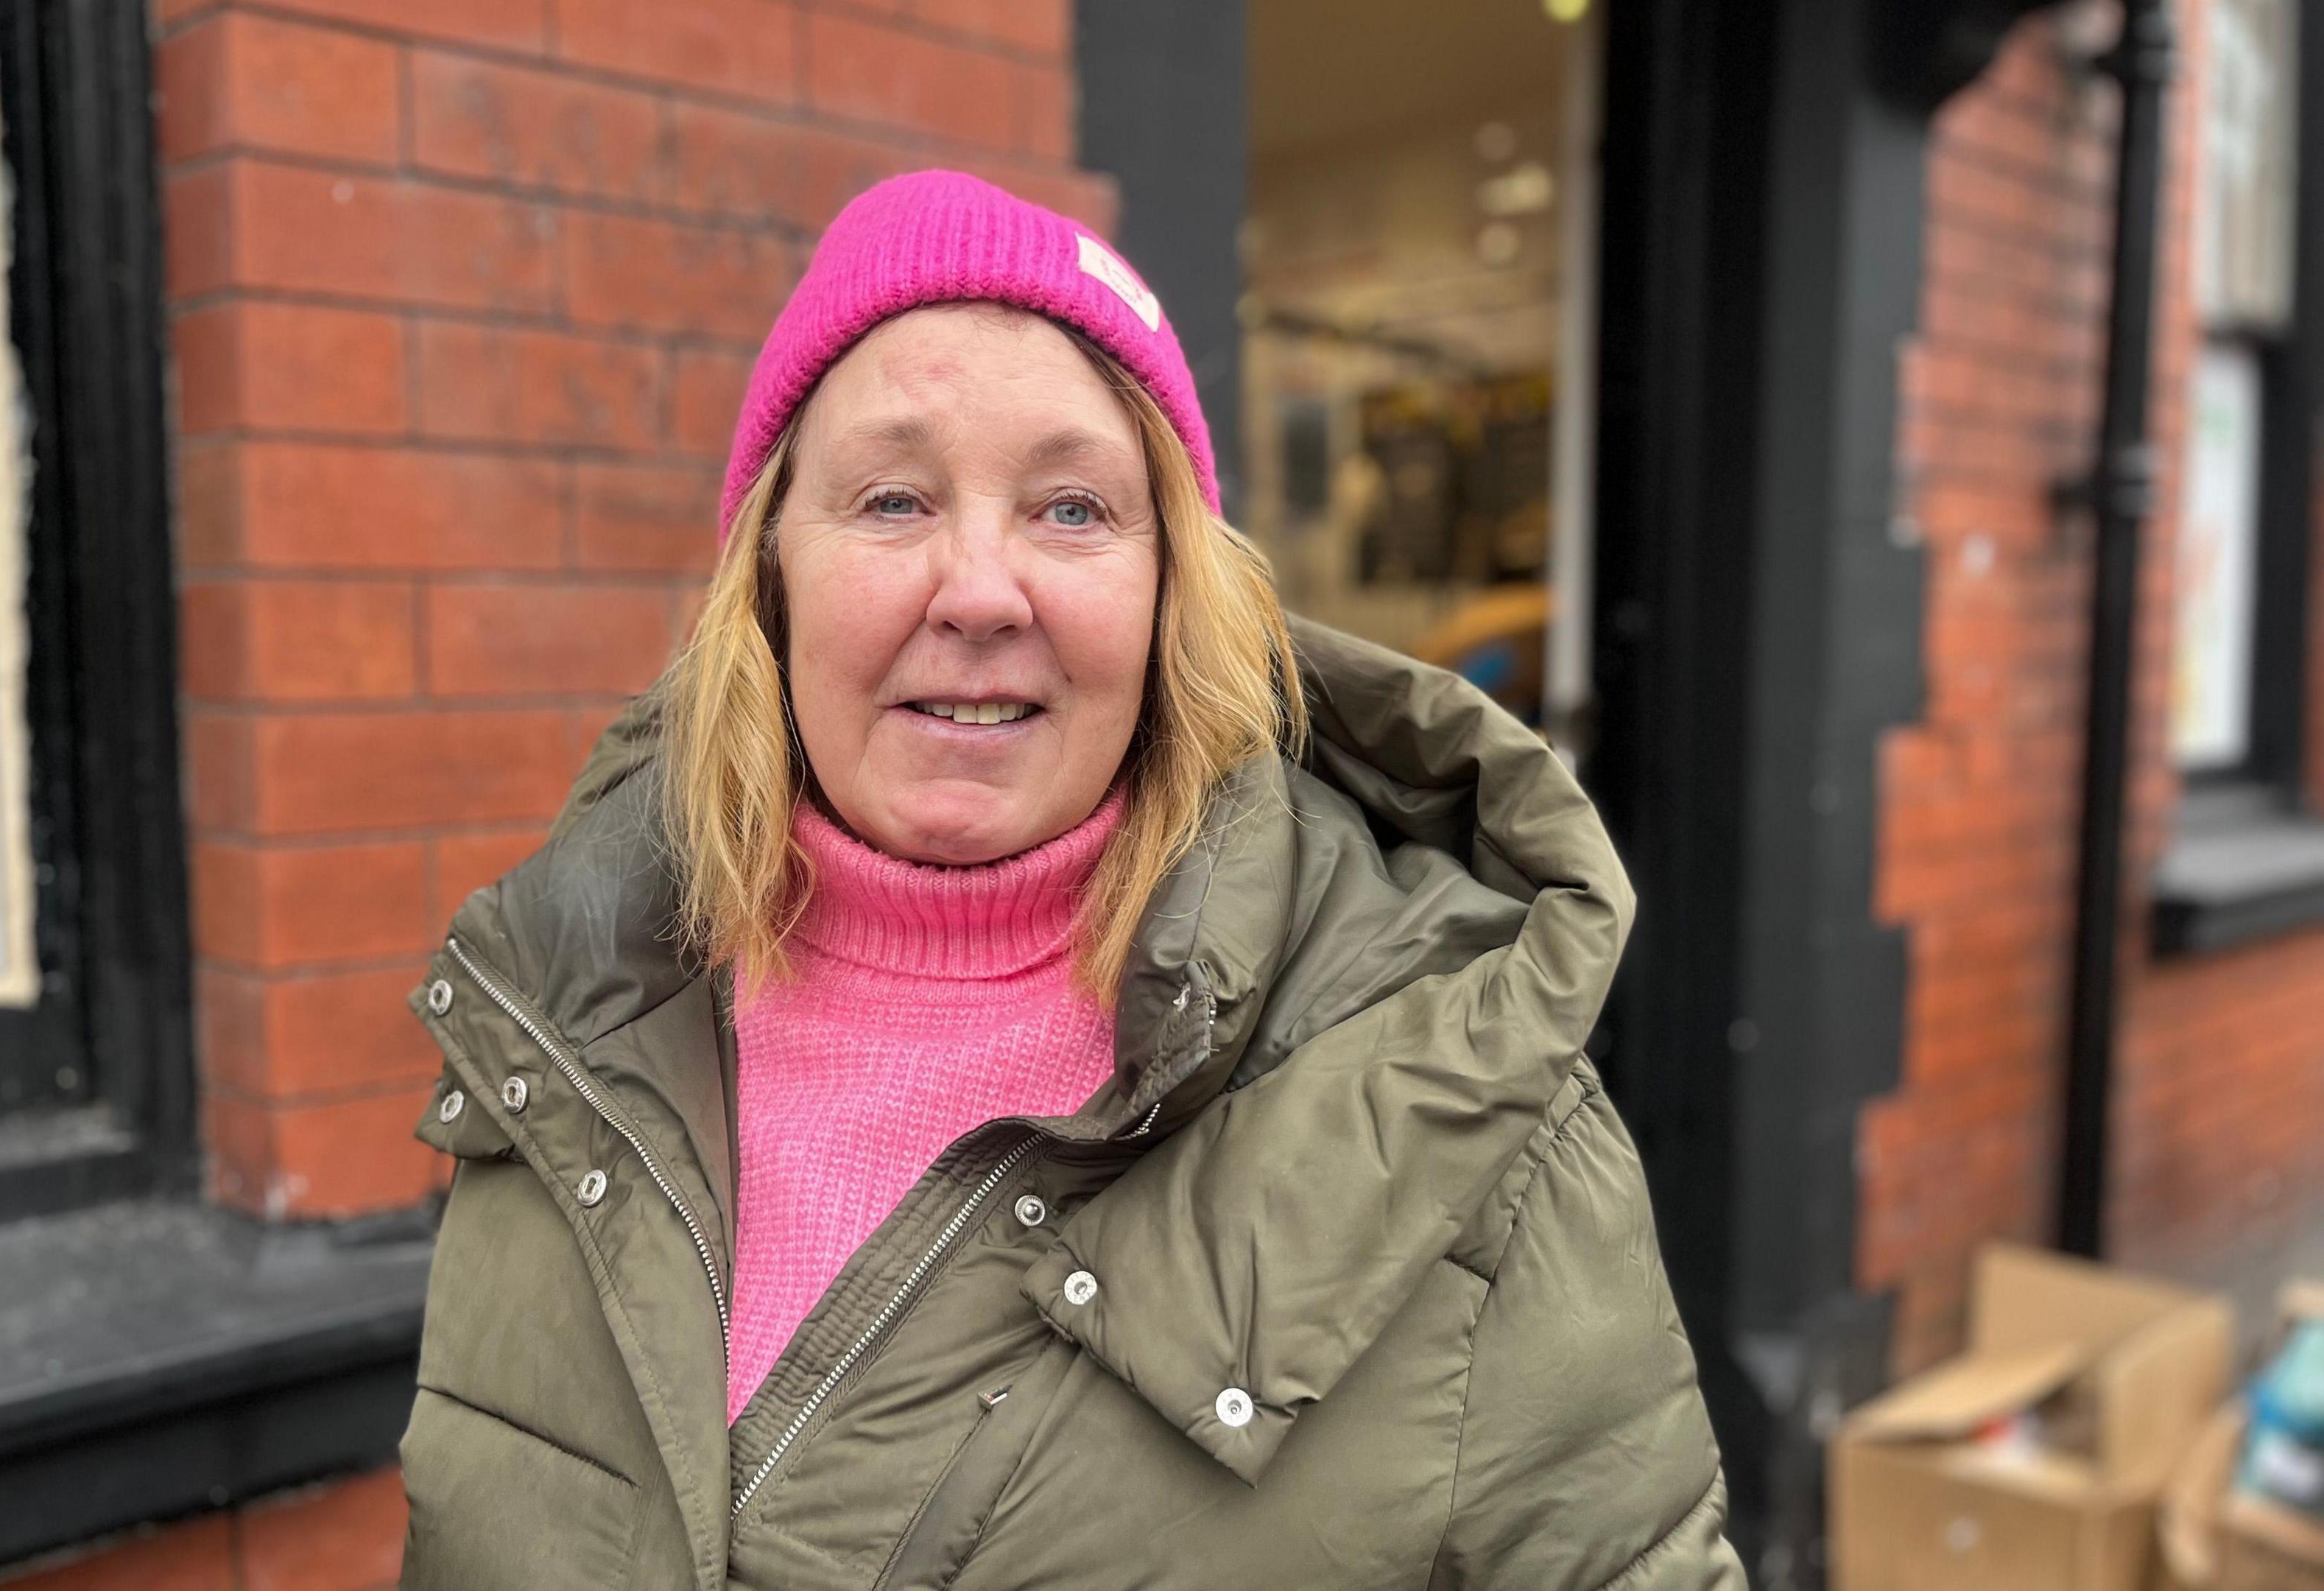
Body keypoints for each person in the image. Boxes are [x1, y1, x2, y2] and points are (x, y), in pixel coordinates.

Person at [395, 169, 1742, 1590]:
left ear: (1174, 591)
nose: (980, 590)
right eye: (894, 496)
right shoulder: (560, 1031)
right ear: (771, 572)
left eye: (1074, 509)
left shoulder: (1456, 1102)